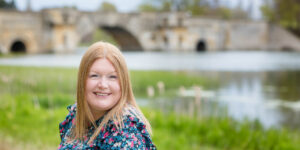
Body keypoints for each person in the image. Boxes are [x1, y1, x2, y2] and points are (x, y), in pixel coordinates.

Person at [58, 41, 156, 149]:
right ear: (82, 80)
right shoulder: (76, 114)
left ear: (124, 83)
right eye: (94, 75)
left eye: (112, 77)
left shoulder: (127, 137)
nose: (103, 85)